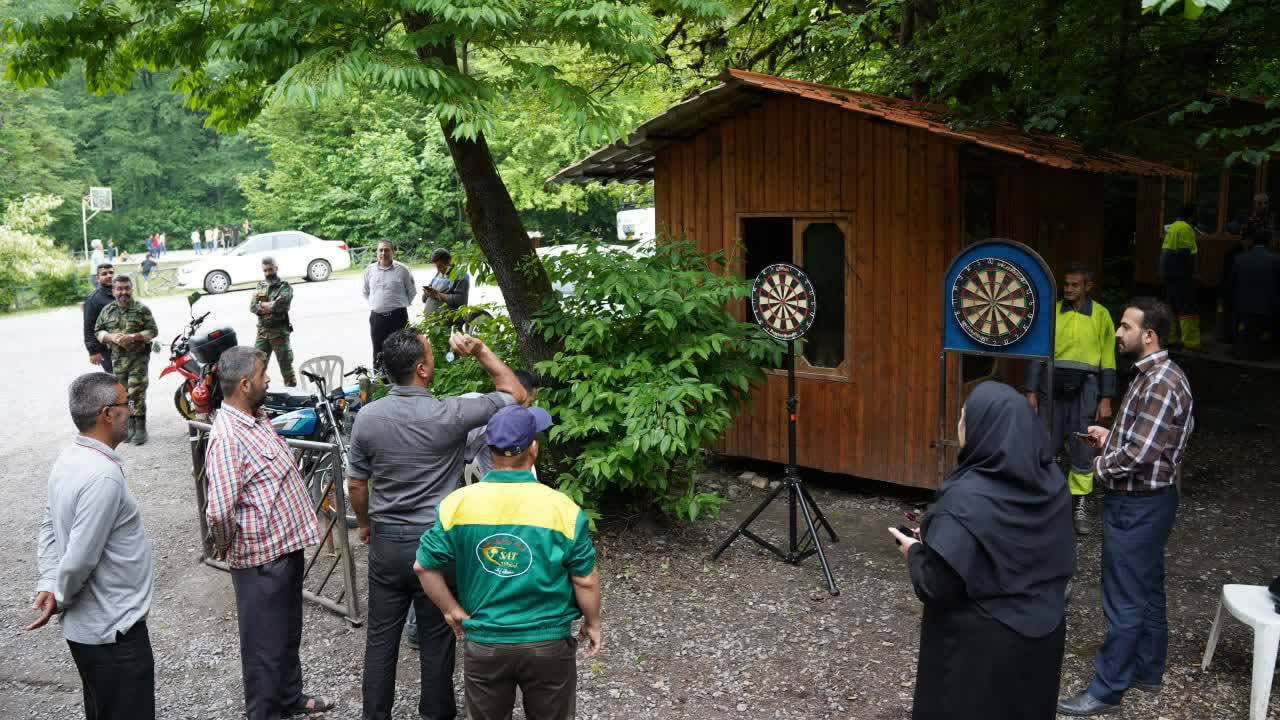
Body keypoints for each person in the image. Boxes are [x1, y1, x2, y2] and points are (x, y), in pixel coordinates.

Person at [346, 328, 525, 719]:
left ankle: (375, 715)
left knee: (380, 639)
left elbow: (357, 484)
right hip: (438, 544)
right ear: (424, 369)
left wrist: (364, 524)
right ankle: (437, 713)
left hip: (387, 543)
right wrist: (480, 349)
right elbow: (516, 395)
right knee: (437, 638)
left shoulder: (368, 417)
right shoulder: (451, 413)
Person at [889, 382, 1073, 720]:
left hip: (978, 652)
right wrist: (942, 542)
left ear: (982, 430)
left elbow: (936, 585)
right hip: (1044, 636)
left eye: (964, 420)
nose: (961, 428)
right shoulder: (1053, 487)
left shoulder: (964, 498)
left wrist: (914, 551)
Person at [415, 404, 602, 720]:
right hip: (548, 643)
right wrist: (593, 623)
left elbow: (423, 566)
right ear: (533, 448)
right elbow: (585, 579)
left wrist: (451, 610)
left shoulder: (457, 505)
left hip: (485, 643)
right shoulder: (562, 509)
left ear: (490, 450)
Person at [1057, 297, 1195, 717]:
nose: (1117, 333)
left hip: (1138, 506)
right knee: (1147, 589)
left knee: (1124, 598)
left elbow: (1138, 456)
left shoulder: (1159, 383)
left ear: (1148, 336)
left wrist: (1099, 464)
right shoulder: (1156, 375)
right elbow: (1142, 441)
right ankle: (1146, 672)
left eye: (1125, 326)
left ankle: (1107, 689)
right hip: (1150, 503)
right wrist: (1110, 435)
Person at [205, 347, 334, 719]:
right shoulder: (228, 436)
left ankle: (290, 697)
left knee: (286, 636)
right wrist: (234, 547)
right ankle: (264, 712)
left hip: (284, 551)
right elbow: (219, 510)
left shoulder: (256, 417)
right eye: (264, 374)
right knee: (265, 649)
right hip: (261, 561)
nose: (269, 379)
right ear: (245, 384)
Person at [28, 372, 156, 719]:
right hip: (114, 634)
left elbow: (48, 524)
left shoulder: (69, 458)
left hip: (96, 633)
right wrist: (60, 595)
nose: (131, 410)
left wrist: (49, 582)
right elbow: (79, 560)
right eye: (125, 403)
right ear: (106, 414)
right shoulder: (103, 476)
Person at [1024, 263, 1116, 534]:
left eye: (1075, 285)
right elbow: (1037, 351)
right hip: (1051, 381)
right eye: (1066, 284)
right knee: (1046, 441)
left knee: (1083, 443)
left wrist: (1107, 397)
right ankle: (1045, 505)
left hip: (1087, 384)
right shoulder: (1052, 312)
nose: (1068, 289)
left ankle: (1079, 504)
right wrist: (1030, 390)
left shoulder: (1101, 316)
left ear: (1088, 286)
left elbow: (1109, 358)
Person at [94, 276, 158, 445]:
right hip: (117, 360)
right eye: (119, 289)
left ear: (131, 289)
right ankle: (129, 426)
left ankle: (140, 427)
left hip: (139, 359)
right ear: (113, 291)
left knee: (137, 392)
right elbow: (98, 331)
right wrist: (111, 337)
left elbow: (152, 331)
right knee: (123, 394)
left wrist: (134, 337)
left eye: (126, 288)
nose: (123, 292)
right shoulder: (107, 311)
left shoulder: (141, 309)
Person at [464, 369, 540, 481]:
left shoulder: (498, 430)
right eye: (528, 403)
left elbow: (492, 474)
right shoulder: (475, 406)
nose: (527, 409)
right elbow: (441, 450)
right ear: (518, 394)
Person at [1225, 225, 1279, 361]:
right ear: (1268, 242)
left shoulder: (1239, 259)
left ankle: (1241, 350)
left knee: (1245, 333)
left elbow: (1231, 284)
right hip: (1267, 309)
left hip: (1242, 308)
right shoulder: (1275, 260)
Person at [363, 240, 417, 369]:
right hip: (377, 318)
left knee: (401, 350)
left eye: (387, 250)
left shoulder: (403, 270)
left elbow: (412, 292)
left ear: (393, 252)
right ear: (377, 252)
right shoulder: (370, 270)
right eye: (380, 250)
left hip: (398, 317)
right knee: (378, 351)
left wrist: (397, 306)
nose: (383, 253)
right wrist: (378, 304)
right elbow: (366, 292)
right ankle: (380, 382)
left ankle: (401, 382)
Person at [1160, 203, 1200, 350]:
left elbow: (1165, 253)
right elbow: (1186, 253)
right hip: (1182, 275)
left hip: (1170, 274)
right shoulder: (1186, 228)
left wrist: (1163, 273)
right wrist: (1194, 273)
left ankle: (1170, 339)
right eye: (1196, 214)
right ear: (1191, 215)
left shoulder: (1173, 227)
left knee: (1172, 306)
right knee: (1187, 307)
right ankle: (1190, 342)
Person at [252, 257, 297, 387]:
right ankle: (260, 394)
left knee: (286, 366)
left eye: (270, 269)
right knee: (257, 366)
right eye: (265, 270)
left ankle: (291, 393)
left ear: (276, 268)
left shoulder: (285, 286)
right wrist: (270, 305)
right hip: (262, 333)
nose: (268, 273)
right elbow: (252, 307)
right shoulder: (260, 286)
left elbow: (282, 305)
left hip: (279, 333)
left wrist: (264, 305)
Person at [83, 263, 117, 375]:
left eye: (111, 272)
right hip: (106, 349)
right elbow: (89, 326)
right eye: (104, 274)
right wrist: (93, 351)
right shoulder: (94, 299)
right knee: (118, 382)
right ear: (97, 278)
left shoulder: (121, 293)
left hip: (126, 347)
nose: (109, 275)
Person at [421, 248, 471, 320]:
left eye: (440, 266)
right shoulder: (438, 274)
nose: (438, 270)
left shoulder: (461, 275)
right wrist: (426, 293)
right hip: (432, 323)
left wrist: (438, 295)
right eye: (436, 267)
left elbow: (461, 301)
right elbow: (424, 299)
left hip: (449, 325)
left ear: (449, 261)